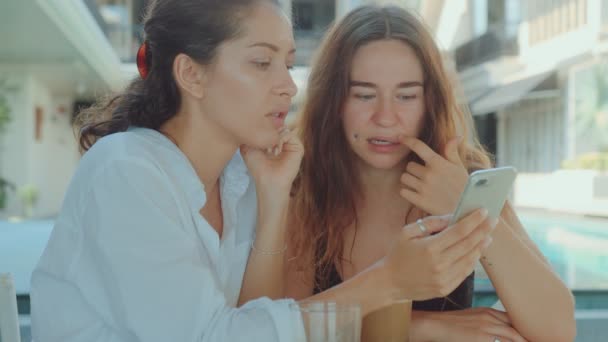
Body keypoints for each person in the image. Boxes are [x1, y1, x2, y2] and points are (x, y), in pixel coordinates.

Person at [30, 1, 494, 341]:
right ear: (192, 75)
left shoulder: (240, 179)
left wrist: (272, 201)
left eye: (288, 63)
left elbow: (261, 321)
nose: (287, 85)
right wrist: (391, 283)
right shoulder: (125, 174)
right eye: (261, 62)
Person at [287, 5, 576, 342]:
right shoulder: (302, 184)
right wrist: (422, 326)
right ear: (333, 101)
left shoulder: (463, 178)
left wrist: (468, 208)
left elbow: (558, 330)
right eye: (364, 95)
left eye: (407, 95)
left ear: (430, 101)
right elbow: (282, 327)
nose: (385, 116)